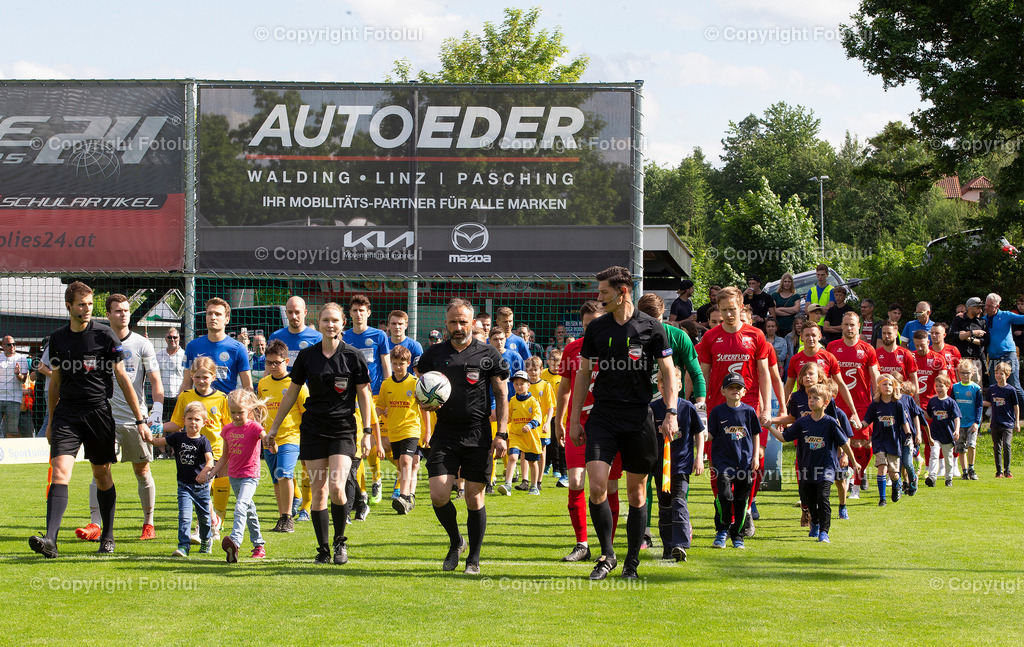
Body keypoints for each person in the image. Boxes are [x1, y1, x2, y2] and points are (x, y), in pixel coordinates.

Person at [568, 266, 679, 580]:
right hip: (603, 415)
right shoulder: (597, 329)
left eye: (604, 292)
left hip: (638, 416)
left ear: (623, 292)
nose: (599, 297)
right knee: (598, 485)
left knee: (637, 493)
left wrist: (670, 412)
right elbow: (583, 374)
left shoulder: (653, 328)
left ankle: (631, 562)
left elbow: (669, 372)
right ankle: (607, 554)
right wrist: (575, 419)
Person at [29, 282, 153, 559]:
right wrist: (50, 420)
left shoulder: (105, 335)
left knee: (102, 475)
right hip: (67, 415)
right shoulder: (58, 339)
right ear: (68, 307)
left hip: (98, 413)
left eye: (89, 304)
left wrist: (140, 419)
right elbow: (55, 382)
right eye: (81, 305)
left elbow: (123, 378)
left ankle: (107, 535)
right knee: (60, 473)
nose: (87, 310)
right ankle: (50, 539)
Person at [265, 302, 376, 565]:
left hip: (342, 429)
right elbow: (291, 393)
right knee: (318, 490)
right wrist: (274, 427)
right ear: (319, 322)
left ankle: (340, 542)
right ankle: (323, 549)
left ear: (342, 324)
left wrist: (368, 431)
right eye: (325, 320)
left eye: (335, 320)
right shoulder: (307, 356)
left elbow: (364, 394)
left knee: (338, 487)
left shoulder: (353, 356)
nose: (330, 325)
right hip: (313, 430)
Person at [417, 298, 509, 575]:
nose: (458, 327)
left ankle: (474, 558)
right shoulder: (433, 355)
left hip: (478, 433)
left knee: (473, 497)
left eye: (463, 322)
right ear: (445, 324)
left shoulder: (488, 354)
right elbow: (421, 389)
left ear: (473, 324)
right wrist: (425, 403)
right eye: (453, 322)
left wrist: (502, 433)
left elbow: (502, 393)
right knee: (439, 494)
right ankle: (457, 541)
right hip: (445, 433)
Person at [74, 294, 164, 544]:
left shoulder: (142, 344)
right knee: (99, 469)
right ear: (109, 315)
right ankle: (95, 524)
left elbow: (156, 381)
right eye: (118, 311)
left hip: (136, 420)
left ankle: (149, 523)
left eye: (126, 310)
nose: (123, 314)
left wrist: (155, 410)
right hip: (103, 420)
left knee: (142, 470)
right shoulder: (97, 341)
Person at [554, 300, 621, 563]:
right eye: (585, 325)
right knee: (575, 481)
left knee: (609, 486)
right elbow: (565, 389)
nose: (590, 329)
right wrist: (562, 421)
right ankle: (582, 543)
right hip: (578, 426)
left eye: (595, 323)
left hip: (608, 426)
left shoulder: (615, 346)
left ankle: (609, 545)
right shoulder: (572, 349)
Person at [769, 381, 859, 543]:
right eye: (809, 398)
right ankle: (815, 523)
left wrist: (853, 461)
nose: (811, 401)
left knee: (823, 498)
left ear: (825, 402)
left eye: (815, 398)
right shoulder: (802, 422)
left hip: (826, 468)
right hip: (806, 468)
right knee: (809, 499)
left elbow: (844, 442)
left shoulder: (831, 422)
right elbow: (784, 438)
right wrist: (770, 427)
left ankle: (824, 532)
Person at [162, 356, 231, 542]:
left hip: (215, 451)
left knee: (203, 488)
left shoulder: (222, 398)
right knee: (202, 490)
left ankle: (204, 528)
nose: (201, 381)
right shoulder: (185, 396)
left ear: (213, 377)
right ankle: (213, 525)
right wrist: (155, 428)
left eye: (205, 377)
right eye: (197, 377)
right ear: (192, 375)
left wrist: (232, 449)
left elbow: (228, 427)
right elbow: (176, 423)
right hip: (192, 452)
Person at [269, 296, 323, 522]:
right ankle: (298, 498)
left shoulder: (317, 338)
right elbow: (268, 371)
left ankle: (307, 507)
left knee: (307, 460)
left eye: (297, 311)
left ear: (305, 312)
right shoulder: (277, 337)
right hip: (284, 405)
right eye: (290, 311)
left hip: (312, 405)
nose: (294, 316)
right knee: (285, 462)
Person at [649, 366, 704, 561]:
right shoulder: (653, 408)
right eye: (665, 384)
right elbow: (646, 437)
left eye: (674, 384)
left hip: (681, 465)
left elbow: (699, 432)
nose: (670, 388)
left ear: (680, 385)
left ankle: (680, 545)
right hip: (659, 468)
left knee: (679, 502)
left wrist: (699, 457)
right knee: (664, 508)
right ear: (659, 386)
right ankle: (668, 546)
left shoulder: (687, 407)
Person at [149, 401, 215, 557]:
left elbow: (210, 461)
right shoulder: (178, 437)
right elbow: (158, 441)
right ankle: (183, 546)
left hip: (201, 487)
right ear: (184, 420)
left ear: (204, 422)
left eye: (197, 419)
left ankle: (206, 540)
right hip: (184, 486)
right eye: (190, 418)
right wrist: (147, 434)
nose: (193, 422)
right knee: (184, 516)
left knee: (204, 517)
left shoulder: (203, 441)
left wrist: (205, 472)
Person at [210, 389, 269, 562]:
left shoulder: (255, 427)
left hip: (250, 475)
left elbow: (267, 442)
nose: (236, 416)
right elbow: (224, 457)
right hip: (234, 476)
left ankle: (235, 540)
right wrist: (211, 474)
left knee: (240, 506)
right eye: (232, 412)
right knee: (248, 510)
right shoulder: (227, 429)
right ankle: (259, 545)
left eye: (240, 412)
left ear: (249, 410)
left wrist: (270, 443)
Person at [344, 295, 392, 503]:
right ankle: (362, 488)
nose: (358, 314)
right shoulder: (344, 336)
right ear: (350, 313)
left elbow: (386, 366)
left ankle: (376, 478)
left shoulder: (379, 336)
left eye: (362, 310)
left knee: (372, 441)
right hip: (351, 395)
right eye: (355, 310)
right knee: (357, 442)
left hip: (374, 395)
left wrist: (388, 394)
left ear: (368, 313)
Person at [259, 339, 308, 533]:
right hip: (269, 440)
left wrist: (306, 440)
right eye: (269, 363)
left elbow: (306, 413)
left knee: (285, 474)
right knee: (275, 479)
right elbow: (261, 411)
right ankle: (281, 517)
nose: (272, 366)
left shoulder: (297, 385)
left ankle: (288, 517)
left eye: (276, 363)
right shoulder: (263, 384)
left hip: (290, 437)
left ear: (286, 361)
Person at [707, 372, 759, 549]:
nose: (735, 391)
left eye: (738, 388)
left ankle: (737, 535)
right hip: (723, 463)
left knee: (741, 500)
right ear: (723, 391)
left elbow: (755, 434)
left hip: (744, 462)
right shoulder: (717, 412)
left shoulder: (749, 411)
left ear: (744, 391)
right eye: (731, 388)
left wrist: (755, 457)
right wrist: (697, 431)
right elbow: (710, 435)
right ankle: (722, 531)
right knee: (724, 496)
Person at [375, 344, 428, 514]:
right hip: (394, 431)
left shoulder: (415, 383)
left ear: (408, 363)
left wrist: (427, 432)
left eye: (402, 363)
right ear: (391, 363)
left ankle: (404, 496)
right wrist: (370, 423)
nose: (398, 367)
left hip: (411, 429)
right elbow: (380, 406)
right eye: (395, 363)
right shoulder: (386, 384)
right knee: (400, 465)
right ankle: (409, 496)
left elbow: (424, 407)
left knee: (407, 461)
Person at [181, 298, 252, 395]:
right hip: (200, 407)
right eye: (209, 313)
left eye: (218, 314)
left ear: (227, 320)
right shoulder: (192, 346)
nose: (213, 317)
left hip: (226, 406)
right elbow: (186, 385)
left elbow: (248, 387)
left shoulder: (238, 348)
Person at [862, 374, 912, 507]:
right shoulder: (875, 405)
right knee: (882, 468)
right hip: (879, 442)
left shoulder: (898, 405)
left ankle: (897, 485)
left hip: (894, 442)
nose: (887, 387)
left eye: (890, 384)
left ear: (894, 387)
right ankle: (882, 499)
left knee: (894, 474)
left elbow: (903, 422)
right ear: (879, 387)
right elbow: (867, 420)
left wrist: (908, 434)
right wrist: (858, 425)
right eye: (884, 384)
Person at [499, 370, 543, 495]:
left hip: (530, 437)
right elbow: (508, 418)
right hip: (515, 435)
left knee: (532, 462)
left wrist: (530, 425)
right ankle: (508, 485)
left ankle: (534, 486)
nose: (518, 386)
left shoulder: (533, 401)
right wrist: (504, 431)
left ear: (528, 385)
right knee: (512, 457)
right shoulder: (512, 401)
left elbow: (538, 417)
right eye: (516, 384)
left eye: (521, 384)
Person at [924, 374, 961, 487]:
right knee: (934, 454)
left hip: (948, 435)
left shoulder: (951, 403)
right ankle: (932, 477)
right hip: (935, 434)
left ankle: (948, 478)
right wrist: (919, 410)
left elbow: (957, 417)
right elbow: (929, 416)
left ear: (947, 387)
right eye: (937, 386)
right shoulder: (933, 401)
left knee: (948, 457)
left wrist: (957, 430)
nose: (939, 388)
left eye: (941, 386)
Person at [986, 362, 1022, 478]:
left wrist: (1017, 423)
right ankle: (999, 471)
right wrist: (977, 402)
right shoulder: (992, 388)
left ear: (1007, 375)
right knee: (997, 447)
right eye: (996, 373)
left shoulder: (1011, 390)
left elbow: (1016, 407)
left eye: (1001, 373)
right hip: (995, 423)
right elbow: (989, 402)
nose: (998, 376)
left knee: (1006, 444)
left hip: (1008, 423)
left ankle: (1007, 470)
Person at [525, 356, 555, 489]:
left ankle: (539, 481)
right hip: (527, 425)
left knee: (542, 451)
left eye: (535, 369)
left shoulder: (546, 385)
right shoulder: (524, 386)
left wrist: (547, 422)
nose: (533, 372)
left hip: (542, 425)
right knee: (525, 451)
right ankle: (525, 480)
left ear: (541, 370)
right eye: (530, 370)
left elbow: (550, 406)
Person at [984, 293, 1024, 393]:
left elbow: (1022, 319)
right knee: (995, 388)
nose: (987, 308)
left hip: (1008, 355)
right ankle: (998, 409)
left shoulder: (1006, 315)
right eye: (986, 305)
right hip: (993, 358)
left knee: (1015, 387)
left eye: (990, 306)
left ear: (997, 306)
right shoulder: (983, 320)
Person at [951, 362, 983, 480]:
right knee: (960, 447)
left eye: (967, 373)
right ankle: (964, 471)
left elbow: (979, 406)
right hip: (959, 423)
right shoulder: (955, 387)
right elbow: (952, 405)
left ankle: (971, 468)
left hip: (971, 423)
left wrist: (976, 422)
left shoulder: (976, 388)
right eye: (963, 373)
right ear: (959, 373)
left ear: (972, 373)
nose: (965, 375)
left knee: (971, 445)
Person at [541, 349, 566, 485]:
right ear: (548, 362)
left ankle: (557, 468)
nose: (556, 367)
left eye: (559, 364)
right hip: (544, 414)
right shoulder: (543, 374)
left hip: (559, 414)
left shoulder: (563, 376)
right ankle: (547, 464)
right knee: (547, 442)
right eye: (554, 364)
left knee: (557, 442)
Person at [949, 297, 986, 385]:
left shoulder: (981, 322)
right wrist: (972, 333)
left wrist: (968, 337)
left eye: (981, 308)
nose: (980, 311)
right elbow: (953, 336)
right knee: (959, 388)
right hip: (960, 360)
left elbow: (985, 341)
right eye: (978, 308)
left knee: (976, 389)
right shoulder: (958, 320)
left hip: (975, 361)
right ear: (970, 308)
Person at [0, 336, 28, 438]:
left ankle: (8, 453)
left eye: (14, 344)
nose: (12, 346)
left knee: (11, 431)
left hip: (13, 399)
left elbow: (23, 379)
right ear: (2, 346)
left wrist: (18, 374)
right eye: (9, 344)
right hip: (0, 397)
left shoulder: (21, 358)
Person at [156, 328, 185, 425]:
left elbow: (188, 378)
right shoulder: (158, 355)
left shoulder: (184, 355)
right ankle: (161, 440)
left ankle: (177, 441)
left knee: (177, 424)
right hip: (162, 395)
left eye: (175, 337)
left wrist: (181, 394)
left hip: (177, 396)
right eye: (169, 337)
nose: (172, 339)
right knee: (161, 423)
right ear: (165, 339)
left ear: (179, 338)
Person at [770, 273, 801, 337]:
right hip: (778, 327)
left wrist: (780, 309)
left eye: (789, 282)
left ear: (791, 283)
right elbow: (774, 311)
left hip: (791, 327)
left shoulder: (795, 296)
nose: (787, 283)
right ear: (782, 282)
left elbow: (796, 309)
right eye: (785, 281)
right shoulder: (775, 295)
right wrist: (790, 312)